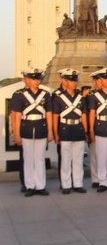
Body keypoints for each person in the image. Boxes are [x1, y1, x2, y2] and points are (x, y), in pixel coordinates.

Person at [11, 68, 53, 197]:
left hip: (41, 127)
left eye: (38, 78)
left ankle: (40, 186)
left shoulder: (45, 94)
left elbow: (49, 113)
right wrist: (16, 134)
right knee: (28, 159)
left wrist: (50, 131)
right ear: (26, 80)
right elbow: (16, 115)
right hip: (26, 128)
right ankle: (30, 185)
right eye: (33, 79)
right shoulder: (19, 94)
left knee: (39, 159)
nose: (36, 81)